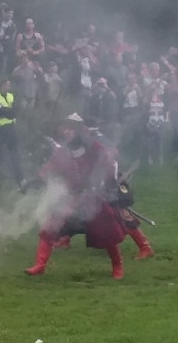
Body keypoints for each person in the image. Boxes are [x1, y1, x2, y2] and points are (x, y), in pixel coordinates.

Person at [24, 114, 128, 279]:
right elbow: (49, 169)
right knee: (50, 226)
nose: (67, 132)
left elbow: (108, 164)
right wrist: (34, 181)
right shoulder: (62, 152)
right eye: (65, 128)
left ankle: (117, 266)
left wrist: (110, 186)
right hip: (71, 198)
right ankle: (40, 265)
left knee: (107, 230)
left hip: (92, 197)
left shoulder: (94, 147)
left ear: (79, 131)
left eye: (70, 129)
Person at [0, 79, 24, 187]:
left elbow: (16, 109)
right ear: (2, 86)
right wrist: (9, 112)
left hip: (10, 127)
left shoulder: (10, 96)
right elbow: (0, 111)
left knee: (14, 150)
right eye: (7, 85)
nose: (9, 87)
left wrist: (9, 112)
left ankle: (18, 174)